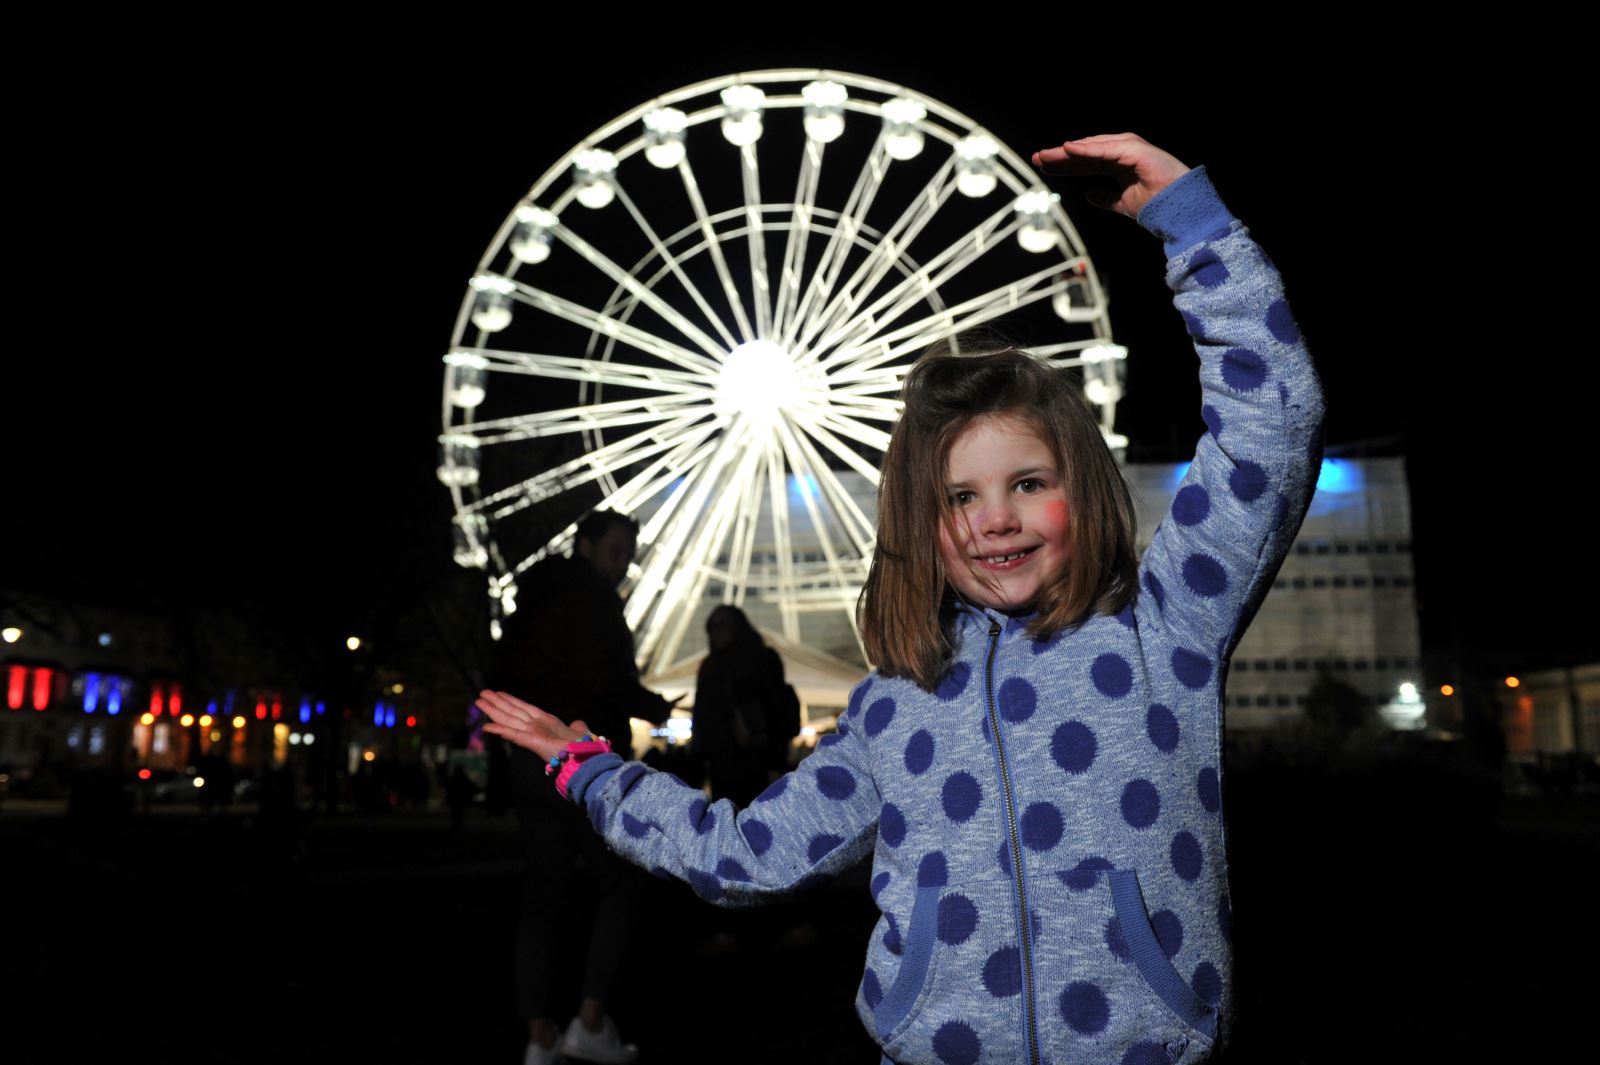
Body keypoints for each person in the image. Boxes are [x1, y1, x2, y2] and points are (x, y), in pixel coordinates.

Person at [478, 133, 1324, 1065]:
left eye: (1029, 483)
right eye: (959, 497)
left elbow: (1269, 428)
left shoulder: (1167, 627)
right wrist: (593, 772)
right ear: (920, 523)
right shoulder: (897, 704)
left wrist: (1193, 228)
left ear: (1082, 486)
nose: (994, 519)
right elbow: (749, 854)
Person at [491, 509, 676, 1065]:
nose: (624, 565)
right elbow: (602, 682)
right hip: (579, 753)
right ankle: (590, 1019)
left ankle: (538, 1036)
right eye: (617, 551)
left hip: (528, 755)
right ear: (587, 546)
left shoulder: (532, 601)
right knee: (622, 878)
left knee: (542, 895)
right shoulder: (592, 600)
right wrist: (652, 707)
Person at [692, 605, 797, 808]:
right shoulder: (709, 667)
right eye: (713, 626)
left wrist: (775, 760)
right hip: (722, 762)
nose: (717, 630)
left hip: (755, 760)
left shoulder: (762, 661)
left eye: (723, 624)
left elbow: (778, 710)